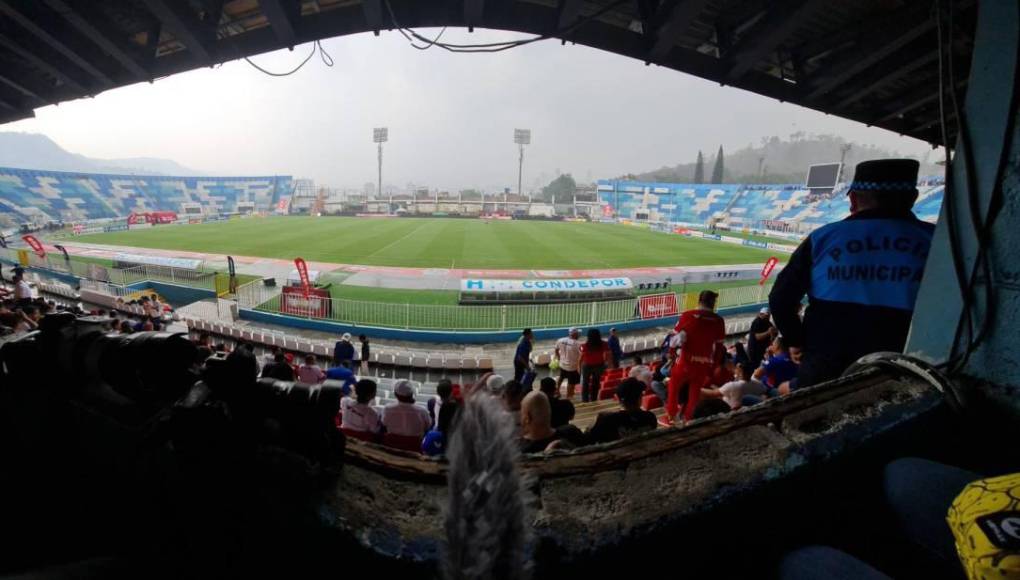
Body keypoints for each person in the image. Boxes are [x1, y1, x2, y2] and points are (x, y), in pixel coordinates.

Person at [769, 159, 935, 389]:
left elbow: (780, 298)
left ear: (853, 199)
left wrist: (795, 340)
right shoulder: (937, 242)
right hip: (904, 370)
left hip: (825, 368)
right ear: (913, 198)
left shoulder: (823, 237)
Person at [665, 290, 726, 425]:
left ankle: (671, 415)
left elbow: (674, 339)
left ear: (699, 301)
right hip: (702, 365)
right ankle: (688, 419)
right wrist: (713, 366)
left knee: (673, 386)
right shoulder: (719, 321)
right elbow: (719, 348)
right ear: (713, 303)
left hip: (686, 362)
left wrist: (671, 353)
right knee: (694, 394)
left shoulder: (688, 315)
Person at [585, 378, 657, 445]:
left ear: (618, 399)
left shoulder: (606, 421)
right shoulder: (650, 418)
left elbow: (587, 441)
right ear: (640, 398)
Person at [579, 328, 610, 403]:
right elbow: (608, 354)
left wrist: (579, 366)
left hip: (587, 366)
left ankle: (585, 400)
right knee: (595, 383)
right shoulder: (604, 344)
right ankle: (594, 399)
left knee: (585, 383)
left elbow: (581, 357)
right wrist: (605, 362)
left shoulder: (584, 345)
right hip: (599, 365)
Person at [554, 327, 582, 399]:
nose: (579, 334)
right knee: (571, 382)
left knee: (561, 377)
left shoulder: (560, 340)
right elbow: (582, 356)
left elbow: (556, 350)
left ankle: (557, 391)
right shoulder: (577, 344)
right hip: (572, 367)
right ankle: (569, 396)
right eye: (578, 333)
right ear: (575, 334)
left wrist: (559, 358)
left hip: (562, 364)